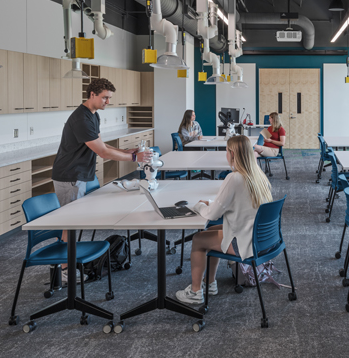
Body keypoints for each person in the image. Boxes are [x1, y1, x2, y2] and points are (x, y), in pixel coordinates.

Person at [51, 78, 153, 284]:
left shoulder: (92, 115)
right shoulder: (81, 118)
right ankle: (64, 270)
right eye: (105, 97)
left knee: (73, 222)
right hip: (70, 176)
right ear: (92, 95)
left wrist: (126, 151)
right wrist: (135, 158)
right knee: (68, 224)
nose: (108, 101)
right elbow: (103, 152)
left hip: (79, 174)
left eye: (109, 98)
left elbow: (101, 143)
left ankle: (67, 263)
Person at [175, 135, 274, 304]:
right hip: (262, 239)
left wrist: (199, 206)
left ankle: (195, 292)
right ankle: (210, 283)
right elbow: (242, 201)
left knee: (199, 239)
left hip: (245, 243)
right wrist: (214, 203)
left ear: (232, 153)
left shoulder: (234, 178)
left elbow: (212, 215)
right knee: (212, 232)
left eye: (226, 151)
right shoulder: (258, 174)